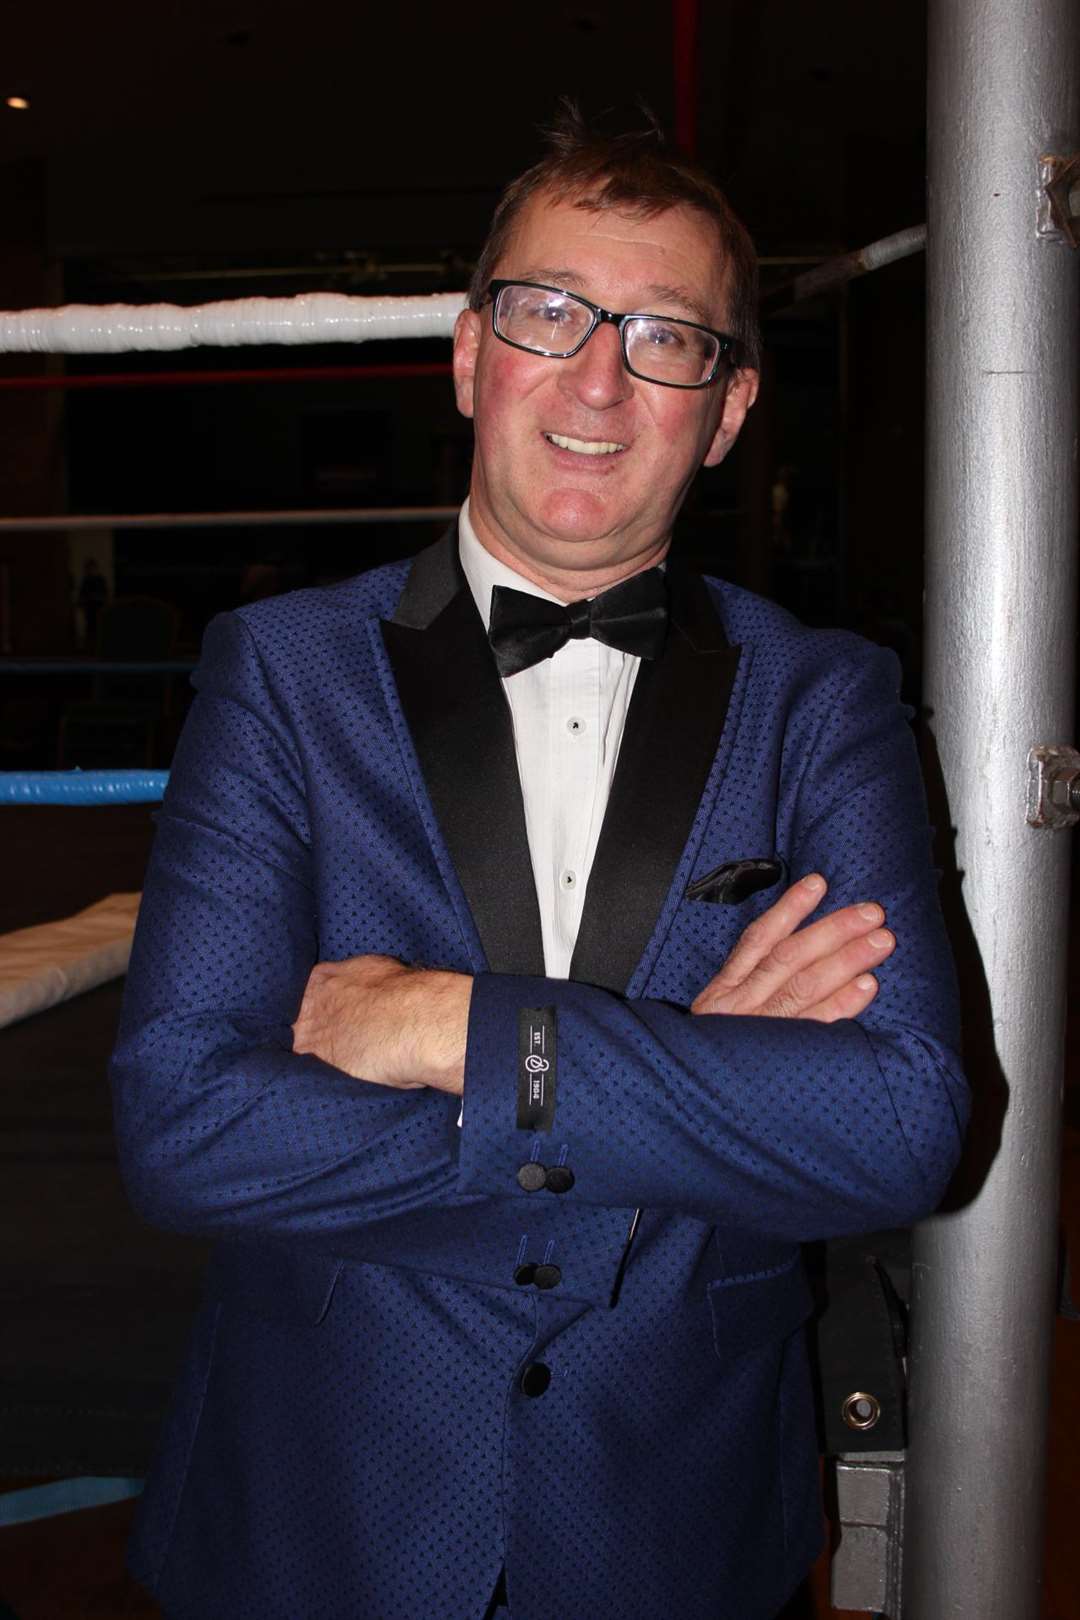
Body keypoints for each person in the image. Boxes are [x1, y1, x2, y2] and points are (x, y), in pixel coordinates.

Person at [111, 109, 968, 1620]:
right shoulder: (282, 673)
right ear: (465, 354)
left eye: (666, 339)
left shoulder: (827, 697)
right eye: (549, 313)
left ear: (729, 408)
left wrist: (454, 1030)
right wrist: (691, 1084)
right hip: (320, 1514)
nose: (597, 378)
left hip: (677, 1523)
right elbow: (185, 1122)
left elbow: (901, 1128)